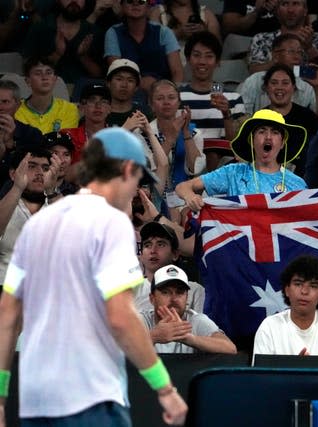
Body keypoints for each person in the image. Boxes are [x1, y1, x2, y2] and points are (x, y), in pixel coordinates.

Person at [0, 127, 188, 426]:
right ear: (127, 169)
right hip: (91, 395)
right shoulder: (110, 222)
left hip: (37, 398)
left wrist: (0, 396)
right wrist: (164, 387)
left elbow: (8, 314)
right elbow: (120, 316)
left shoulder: (39, 223)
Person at [177, 109, 307, 207]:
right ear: (252, 140)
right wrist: (190, 197)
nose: (268, 137)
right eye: (262, 131)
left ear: (282, 142)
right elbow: (183, 187)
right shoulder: (233, 173)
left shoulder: (297, 184)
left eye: (275, 132)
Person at [252, 255, 318, 356]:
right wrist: (296, 369)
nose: (304, 291)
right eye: (298, 284)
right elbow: (260, 373)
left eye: (313, 286)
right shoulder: (269, 327)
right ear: (287, 290)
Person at [181, 31, 246, 171]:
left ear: (217, 62)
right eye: (196, 55)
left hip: (223, 170)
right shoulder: (177, 98)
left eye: (209, 56)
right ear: (188, 59)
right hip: (184, 166)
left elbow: (237, 146)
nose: (202, 61)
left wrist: (226, 115)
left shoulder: (234, 98)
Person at [140, 264, 237, 354]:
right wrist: (153, 337)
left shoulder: (196, 320)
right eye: (165, 292)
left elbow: (230, 349)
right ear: (152, 298)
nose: (174, 299)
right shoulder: (141, 320)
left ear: (187, 298)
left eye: (179, 292)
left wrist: (188, 338)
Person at [0, 148, 59, 286]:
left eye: (45, 168)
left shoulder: (57, 203)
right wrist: (17, 187)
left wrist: (51, 191)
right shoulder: (6, 205)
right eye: (31, 166)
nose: (40, 173)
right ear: (13, 174)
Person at [148, 79, 206, 211]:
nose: (166, 102)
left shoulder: (194, 133)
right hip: (153, 195)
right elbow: (152, 167)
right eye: (160, 98)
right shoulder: (143, 133)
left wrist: (185, 134)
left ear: (179, 102)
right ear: (151, 104)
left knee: (189, 217)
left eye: (171, 97)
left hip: (184, 195)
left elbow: (196, 169)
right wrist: (171, 137)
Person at [104, 0, 183, 92]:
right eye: (130, 1)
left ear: (148, 7)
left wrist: (172, 93)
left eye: (141, 1)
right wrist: (141, 82)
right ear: (122, 5)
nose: (135, 4)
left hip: (163, 92)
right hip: (127, 91)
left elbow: (177, 72)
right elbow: (116, 70)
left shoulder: (164, 32)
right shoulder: (113, 32)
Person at [21, 0, 104, 83]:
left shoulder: (93, 32)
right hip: (48, 88)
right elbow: (27, 68)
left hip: (82, 91)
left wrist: (83, 57)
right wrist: (56, 54)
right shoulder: (41, 27)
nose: (74, 1)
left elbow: (99, 74)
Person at [263, 63, 318, 177]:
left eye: (285, 83)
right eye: (274, 83)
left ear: (294, 87)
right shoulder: (259, 118)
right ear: (266, 87)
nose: (279, 87)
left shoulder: (308, 117)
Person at [135, 221, 204, 313]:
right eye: (147, 245)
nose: (153, 250)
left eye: (160, 244)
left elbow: (202, 325)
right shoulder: (130, 291)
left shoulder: (194, 290)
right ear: (141, 256)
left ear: (175, 254)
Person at [239, 33, 318, 114]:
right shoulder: (254, 81)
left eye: (299, 52)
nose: (297, 57)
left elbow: (317, 119)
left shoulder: (306, 87)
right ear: (276, 56)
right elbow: (243, 116)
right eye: (291, 52)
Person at [247, 0, 318, 74]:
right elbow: (253, 72)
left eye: (296, 4)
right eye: (285, 4)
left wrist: (309, 48)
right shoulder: (262, 39)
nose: (290, 10)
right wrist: (277, 60)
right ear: (277, 11)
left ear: (305, 10)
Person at [15, 56, 79, 134]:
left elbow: (64, 141)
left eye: (48, 73)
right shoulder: (15, 110)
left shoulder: (69, 109)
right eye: (38, 73)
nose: (44, 77)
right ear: (28, 81)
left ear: (55, 79)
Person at [149, 0, 222, 64]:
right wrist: (178, 33)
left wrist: (204, 34)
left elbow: (218, 49)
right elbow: (152, 47)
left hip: (201, 67)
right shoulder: (157, 13)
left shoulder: (207, 14)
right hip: (168, 68)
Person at [0, 80, 43, 185]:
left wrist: (11, 145)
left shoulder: (32, 135)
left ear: (18, 105)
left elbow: (30, 172)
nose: (0, 107)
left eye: (5, 102)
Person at [63, 83, 111, 164]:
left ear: (110, 108)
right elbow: (63, 172)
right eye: (92, 100)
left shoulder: (118, 136)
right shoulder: (67, 136)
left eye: (103, 101)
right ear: (81, 107)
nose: (98, 106)